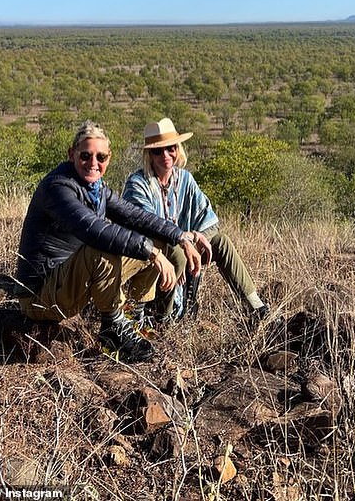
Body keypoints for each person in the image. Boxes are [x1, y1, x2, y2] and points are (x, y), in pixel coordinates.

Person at [14, 120, 202, 363]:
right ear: (72, 155)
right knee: (103, 248)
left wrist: (181, 237)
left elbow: (136, 216)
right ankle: (113, 327)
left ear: (108, 159)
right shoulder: (58, 187)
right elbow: (93, 229)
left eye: (100, 157)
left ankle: (133, 313)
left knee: (157, 238)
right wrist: (152, 254)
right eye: (86, 156)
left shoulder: (97, 189)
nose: (93, 163)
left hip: (70, 282)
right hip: (40, 295)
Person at [122, 117, 269, 325]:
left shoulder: (185, 180)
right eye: (158, 150)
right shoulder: (137, 184)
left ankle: (257, 307)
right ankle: (161, 318)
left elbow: (209, 222)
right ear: (149, 155)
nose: (166, 155)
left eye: (170, 148)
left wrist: (191, 244)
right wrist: (186, 241)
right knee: (177, 254)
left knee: (220, 241)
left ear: (178, 148)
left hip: (182, 251)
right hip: (151, 261)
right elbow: (147, 225)